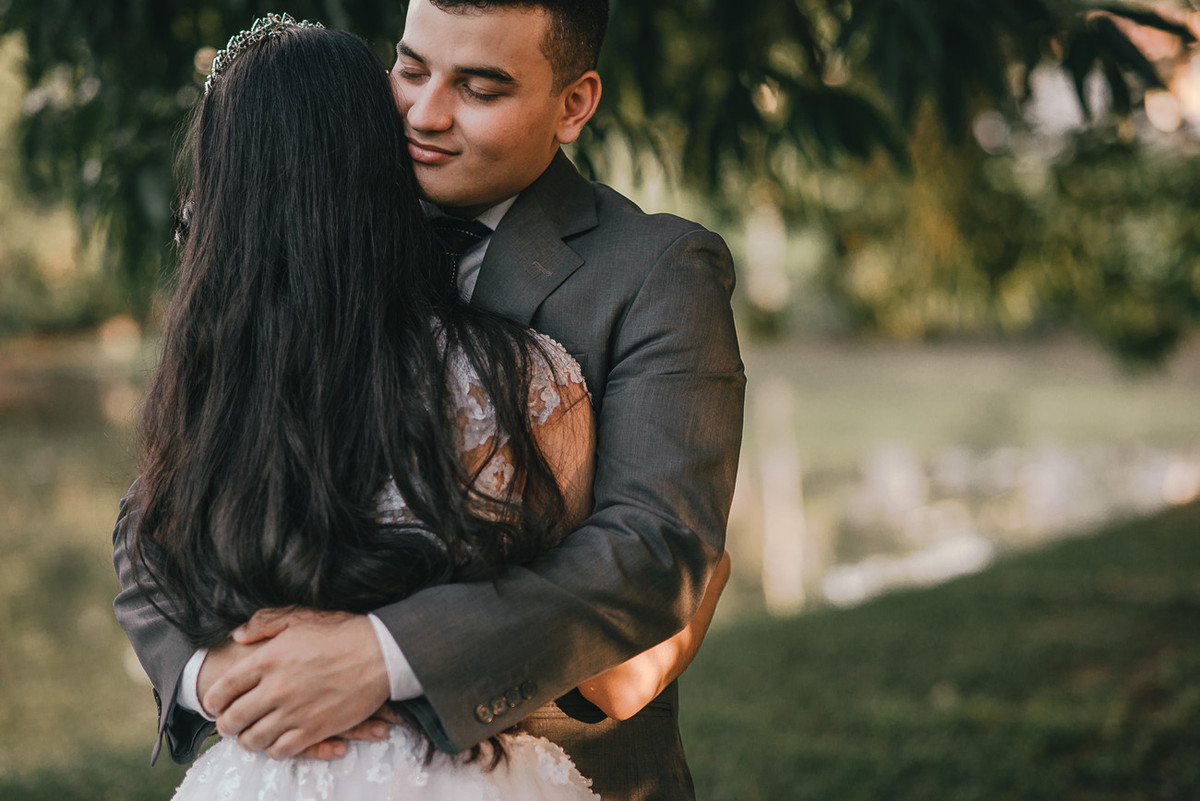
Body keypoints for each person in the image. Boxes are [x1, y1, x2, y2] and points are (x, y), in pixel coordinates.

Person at [114, 2, 745, 799]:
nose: (423, 113)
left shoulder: (657, 270)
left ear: (574, 103)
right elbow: (156, 510)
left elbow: (655, 547)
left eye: (480, 90)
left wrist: (381, 654)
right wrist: (220, 674)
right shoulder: (319, 220)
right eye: (411, 69)